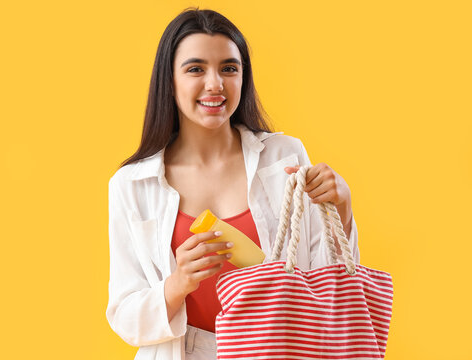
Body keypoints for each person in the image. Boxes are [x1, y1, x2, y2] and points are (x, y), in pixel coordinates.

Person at [106, 7, 360, 360]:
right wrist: (176, 284)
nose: (215, 84)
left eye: (229, 68)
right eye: (196, 69)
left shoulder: (284, 157)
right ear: (170, 79)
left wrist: (342, 209)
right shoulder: (132, 185)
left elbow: (327, 280)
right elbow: (124, 315)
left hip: (278, 349)